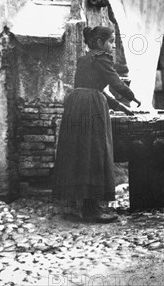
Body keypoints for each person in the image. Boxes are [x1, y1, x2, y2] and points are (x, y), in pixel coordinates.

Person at [51, 25, 141, 223]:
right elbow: (116, 83)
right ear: (100, 43)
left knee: (80, 153)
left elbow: (98, 88)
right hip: (91, 108)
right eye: (111, 42)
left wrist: (121, 107)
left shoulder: (85, 59)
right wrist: (132, 97)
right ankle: (93, 210)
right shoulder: (102, 58)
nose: (113, 46)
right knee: (96, 152)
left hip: (76, 105)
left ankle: (79, 206)